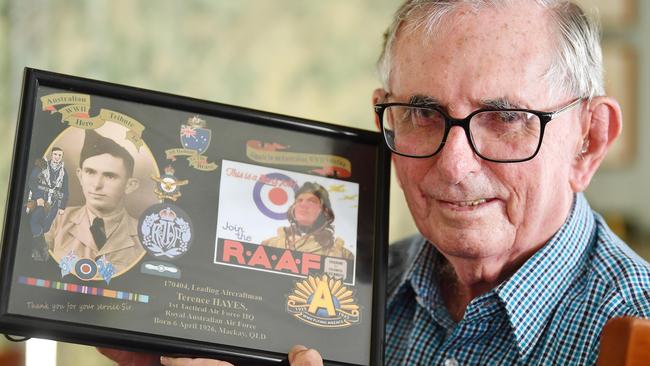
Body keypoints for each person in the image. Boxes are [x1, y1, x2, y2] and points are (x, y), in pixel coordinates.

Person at [103, 0, 650, 365]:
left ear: (590, 139)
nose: (455, 166)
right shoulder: (326, 293)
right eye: (420, 112)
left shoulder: (637, 328)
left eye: (505, 118)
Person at [45, 129, 145, 276]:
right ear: (80, 176)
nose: (97, 185)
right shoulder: (55, 220)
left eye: (110, 176)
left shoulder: (146, 237)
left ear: (130, 185)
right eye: (90, 172)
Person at [261, 182, 353, 260]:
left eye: (312, 201)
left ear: (325, 211)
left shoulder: (342, 255)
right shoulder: (269, 245)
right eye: (299, 200)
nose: (303, 205)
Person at [25, 147, 69, 261]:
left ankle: (41, 248)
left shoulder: (64, 172)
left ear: (62, 157)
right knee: (34, 222)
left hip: (53, 204)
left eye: (59, 155)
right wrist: (38, 196)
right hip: (41, 201)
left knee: (45, 228)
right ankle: (38, 251)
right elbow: (32, 181)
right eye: (55, 154)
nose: (57, 157)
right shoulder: (42, 166)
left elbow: (65, 190)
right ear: (51, 155)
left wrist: (62, 206)